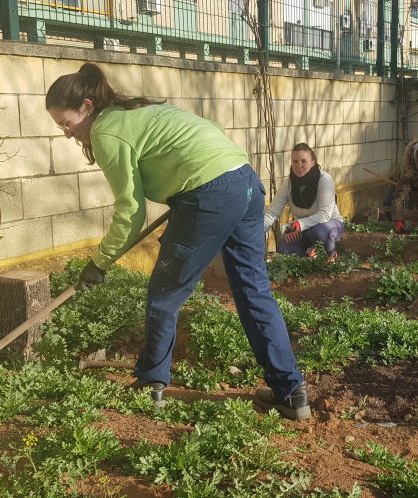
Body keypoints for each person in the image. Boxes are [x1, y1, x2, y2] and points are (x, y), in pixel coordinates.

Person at [45, 63, 310, 420]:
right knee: (253, 289)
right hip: (244, 182)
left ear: (88, 107)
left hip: (209, 194)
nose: (66, 133)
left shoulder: (108, 132)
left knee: (164, 294)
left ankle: (150, 384)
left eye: (67, 123)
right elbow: (207, 133)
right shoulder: (137, 111)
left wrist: (100, 262)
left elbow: (130, 212)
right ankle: (291, 393)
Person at [263, 143, 344, 261]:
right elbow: (272, 212)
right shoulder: (289, 184)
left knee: (318, 232)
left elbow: (325, 214)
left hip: (329, 224)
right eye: (295, 161)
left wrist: (300, 224)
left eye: (303, 161)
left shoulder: (324, 180)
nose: (299, 165)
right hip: (303, 227)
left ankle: (331, 255)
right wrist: (257, 230)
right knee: (284, 249)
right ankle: (308, 253)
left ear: (313, 162)